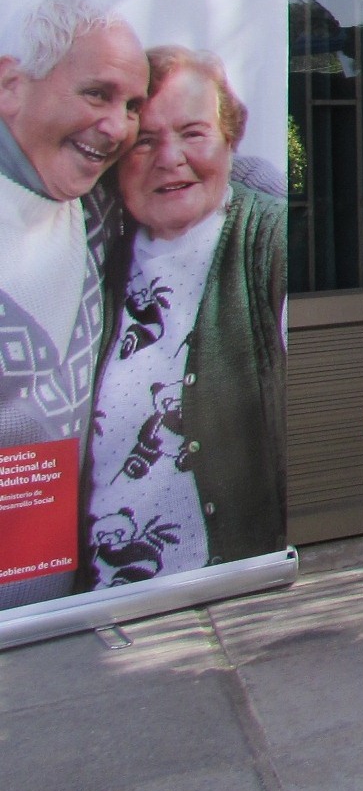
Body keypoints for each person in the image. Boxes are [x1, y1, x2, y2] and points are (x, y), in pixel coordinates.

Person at [83, 46, 287, 588]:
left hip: (225, 595)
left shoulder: (268, 241)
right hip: (96, 603)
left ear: (229, 139)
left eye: (193, 133)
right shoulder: (95, 251)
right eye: (144, 141)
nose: (169, 158)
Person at [0, 0, 147, 610]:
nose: (117, 127)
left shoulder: (96, 212)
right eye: (97, 94)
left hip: (53, 616)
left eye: (132, 106)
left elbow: (226, 170)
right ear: (11, 86)